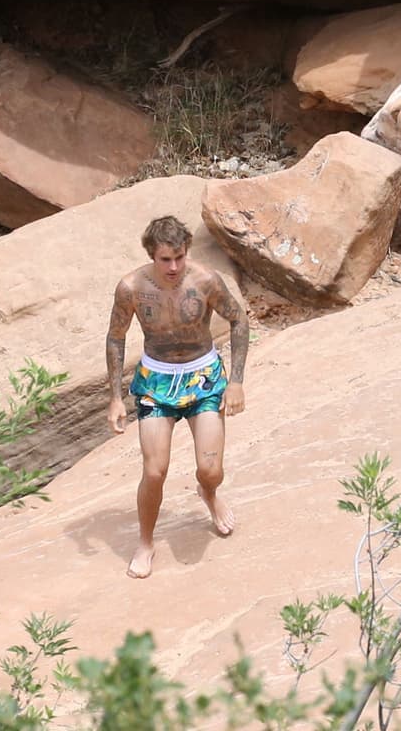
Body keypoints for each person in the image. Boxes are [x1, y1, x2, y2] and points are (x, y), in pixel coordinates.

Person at [105, 215, 248, 579]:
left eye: (179, 257)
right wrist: (116, 397)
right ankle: (146, 542)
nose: (173, 267)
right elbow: (116, 337)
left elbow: (238, 319)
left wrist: (237, 382)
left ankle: (209, 493)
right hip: (157, 381)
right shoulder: (131, 288)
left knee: (210, 469)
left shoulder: (205, 280)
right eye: (165, 259)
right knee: (155, 471)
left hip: (203, 377)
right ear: (151, 254)